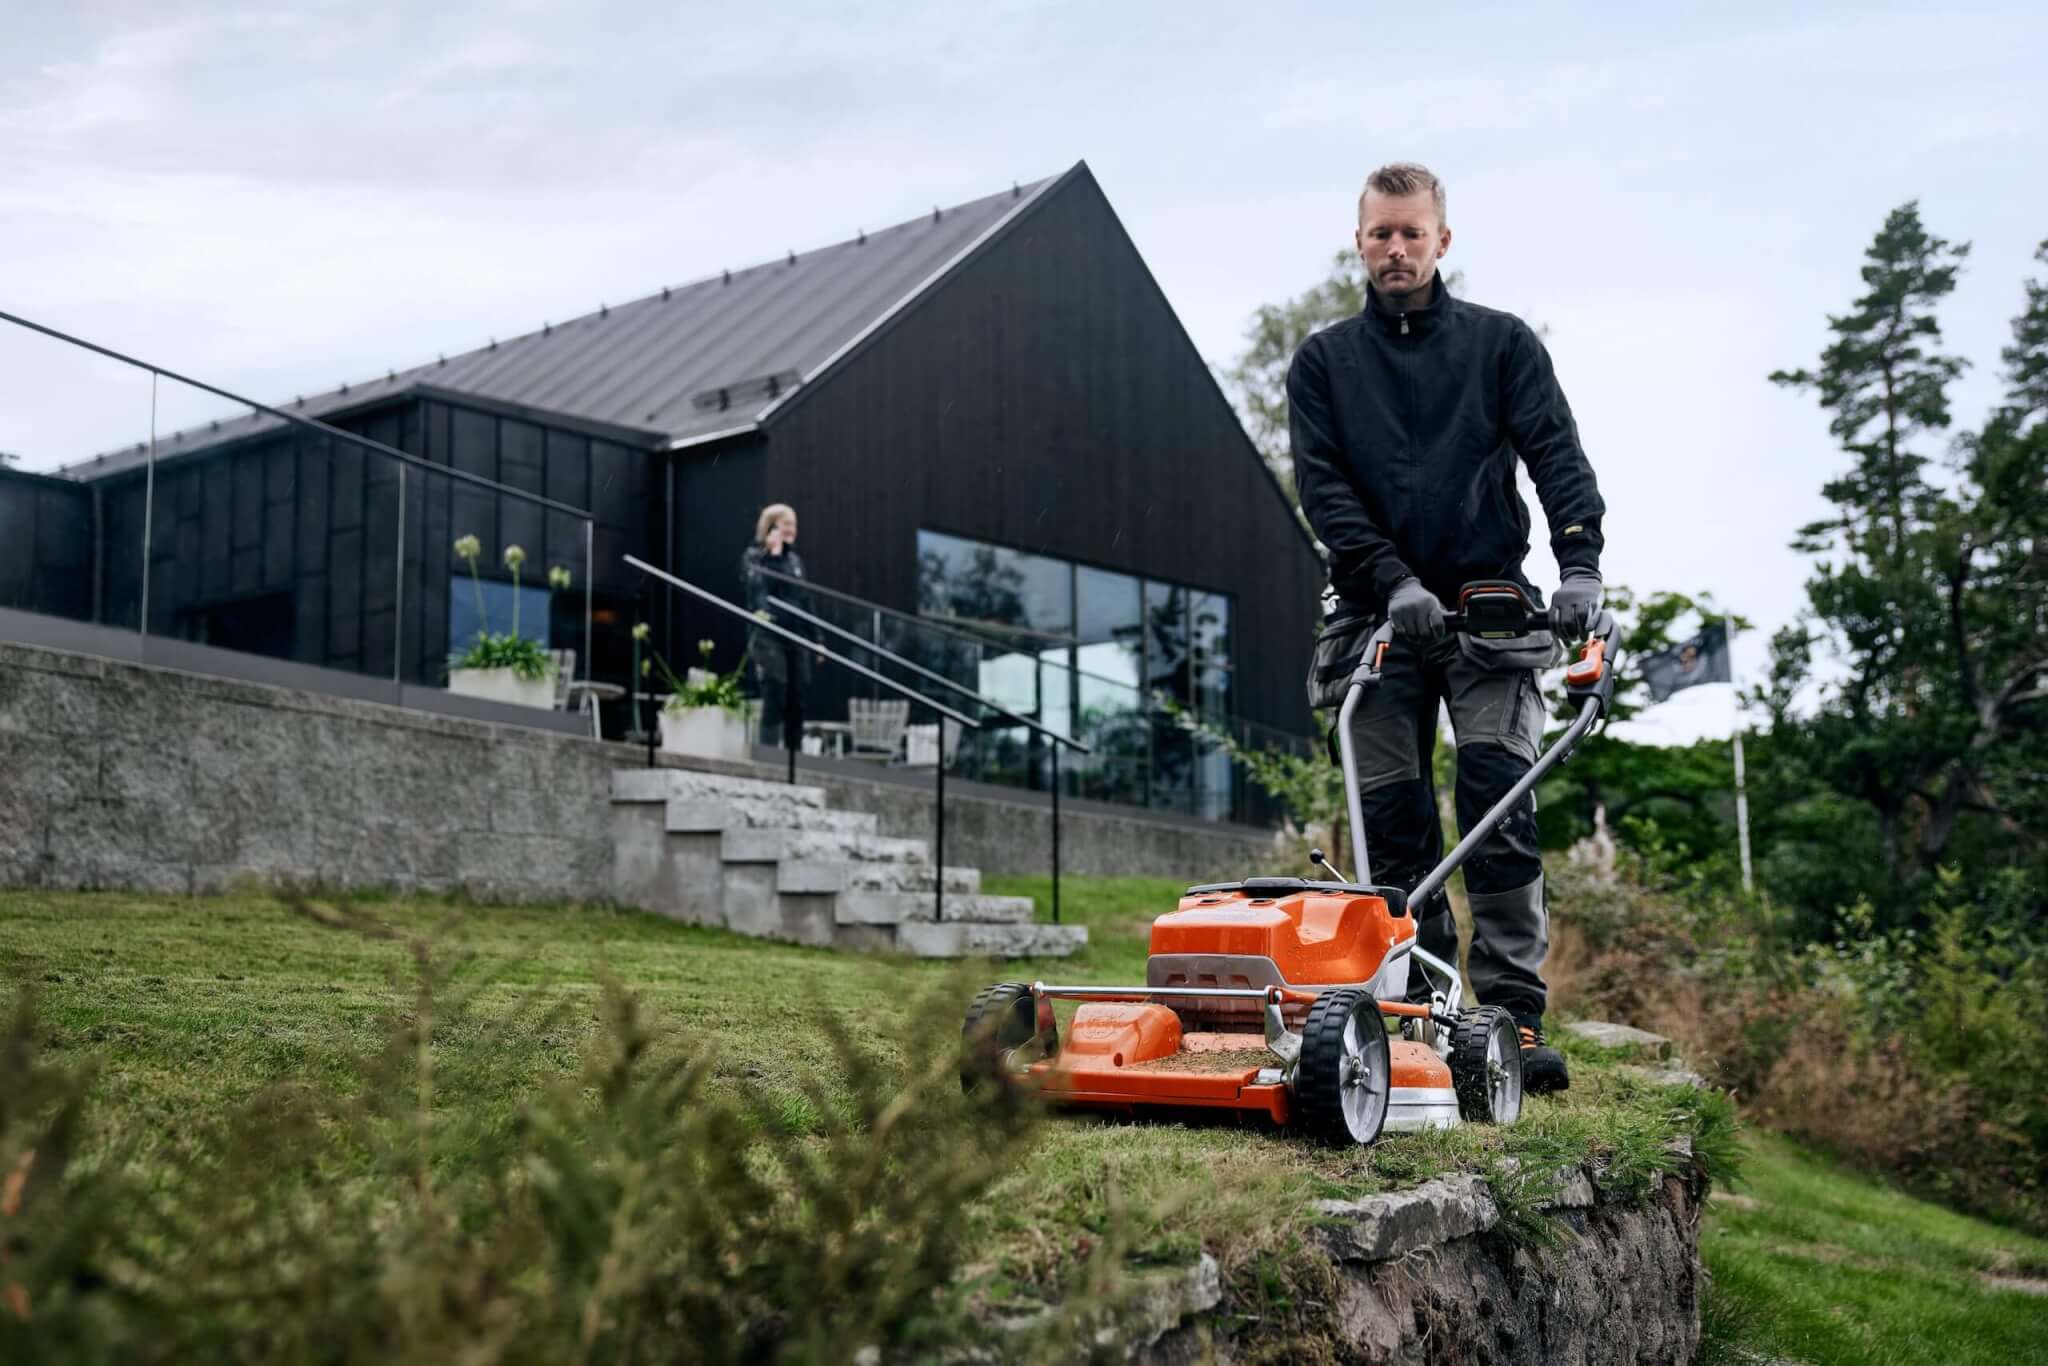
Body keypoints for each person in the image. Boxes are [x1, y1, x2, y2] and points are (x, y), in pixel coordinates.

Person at [1288, 162, 1608, 1092]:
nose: (1396, 249)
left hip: (1490, 613)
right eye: (1380, 233)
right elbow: (1325, 490)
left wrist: (1579, 564)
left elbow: (1556, 455)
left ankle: (1512, 1011)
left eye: (1411, 233)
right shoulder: (1324, 362)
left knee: (1498, 799)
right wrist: (1390, 581)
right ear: (1359, 241)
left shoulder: (1501, 347)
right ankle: (1423, 1009)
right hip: (1373, 617)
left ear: (1442, 241)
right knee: (1391, 822)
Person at [740, 503, 812, 753]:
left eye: (795, 525)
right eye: (787, 524)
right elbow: (757, 591)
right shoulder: (754, 556)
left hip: (796, 637)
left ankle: (796, 754)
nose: (793, 529)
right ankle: (769, 751)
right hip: (769, 636)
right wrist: (772, 555)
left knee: (797, 697)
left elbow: (804, 599)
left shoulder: (795, 561)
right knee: (776, 691)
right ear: (771, 526)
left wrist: (817, 638)